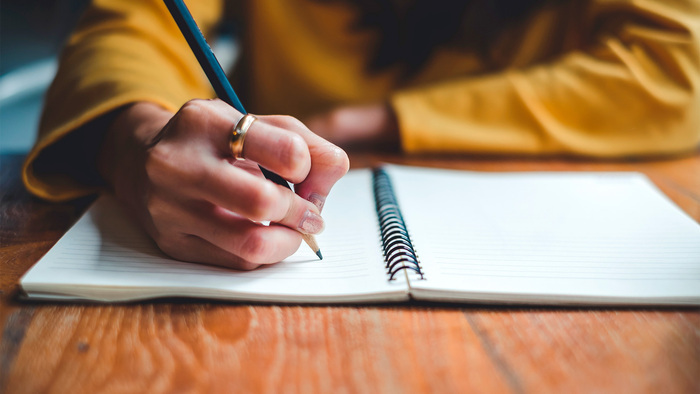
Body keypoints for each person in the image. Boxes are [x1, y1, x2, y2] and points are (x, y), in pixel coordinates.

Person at [22, 0, 700, 270]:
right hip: (253, 198)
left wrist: (378, 120)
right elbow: (132, 25)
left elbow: (680, 68)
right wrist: (134, 137)